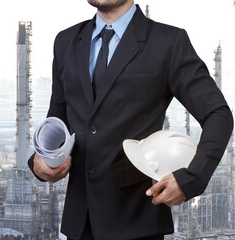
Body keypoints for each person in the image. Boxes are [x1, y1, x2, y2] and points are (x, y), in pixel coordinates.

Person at [28, 0, 234, 239]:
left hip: (137, 221)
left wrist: (191, 179)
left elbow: (218, 114)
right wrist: (39, 162)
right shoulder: (66, 42)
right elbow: (57, 121)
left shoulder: (168, 42)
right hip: (78, 224)